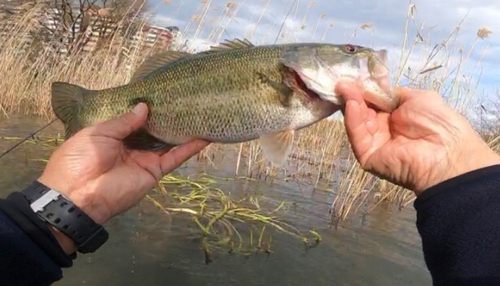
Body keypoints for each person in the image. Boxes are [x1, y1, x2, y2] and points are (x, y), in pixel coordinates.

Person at [0, 82, 499, 286]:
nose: (360, 58)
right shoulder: (290, 85)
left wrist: (57, 214)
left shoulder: (307, 97)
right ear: (297, 70)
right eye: (347, 51)